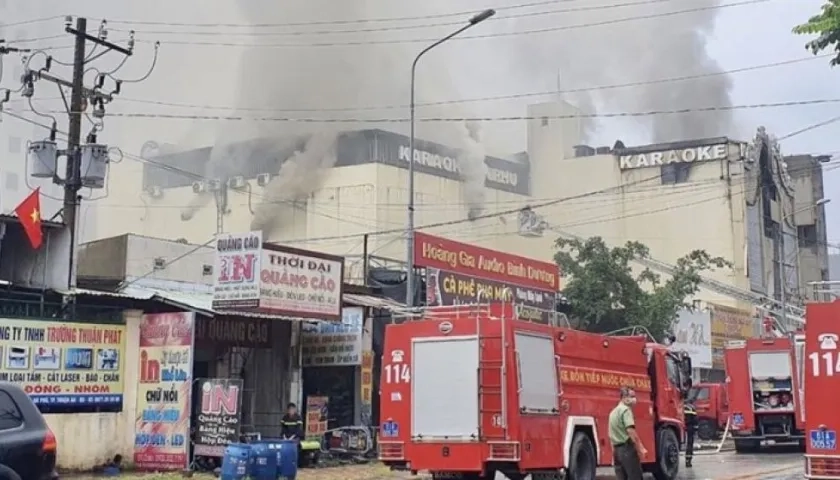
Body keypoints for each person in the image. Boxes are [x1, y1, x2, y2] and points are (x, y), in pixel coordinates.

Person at [609, 386, 647, 480]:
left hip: (617, 452)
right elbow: (631, 431)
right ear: (624, 398)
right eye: (632, 396)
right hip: (627, 450)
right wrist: (641, 448)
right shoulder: (625, 410)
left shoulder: (613, 412)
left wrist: (614, 454)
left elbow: (610, 435)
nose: (634, 399)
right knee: (635, 477)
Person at [684, 400, 698, 467]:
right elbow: (695, 419)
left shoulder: (681, 406)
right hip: (690, 427)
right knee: (689, 444)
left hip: (681, 426)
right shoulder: (691, 407)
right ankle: (688, 461)